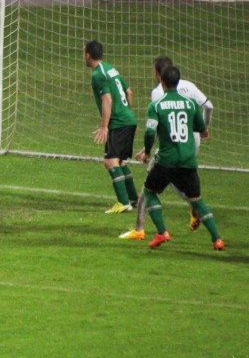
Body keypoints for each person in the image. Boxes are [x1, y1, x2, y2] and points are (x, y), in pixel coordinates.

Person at [120, 56, 214, 240]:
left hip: (170, 144)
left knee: (151, 185)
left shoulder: (158, 92)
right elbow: (208, 106)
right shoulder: (189, 85)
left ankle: (140, 229)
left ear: (158, 74)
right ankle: (194, 206)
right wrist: (204, 128)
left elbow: (158, 124)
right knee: (177, 179)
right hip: (191, 141)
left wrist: (146, 150)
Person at [135, 65, 224, 250]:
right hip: (187, 160)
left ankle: (162, 232)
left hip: (166, 161)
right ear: (178, 82)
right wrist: (202, 130)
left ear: (162, 81)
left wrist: (147, 151)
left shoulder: (156, 105)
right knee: (196, 200)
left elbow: (150, 132)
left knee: (149, 192)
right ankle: (217, 239)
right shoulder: (190, 104)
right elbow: (201, 127)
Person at [83, 40, 139, 214]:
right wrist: (126, 111)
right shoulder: (110, 69)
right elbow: (129, 91)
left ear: (88, 55)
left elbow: (107, 99)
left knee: (110, 162)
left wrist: (104, 126)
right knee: (120, 161)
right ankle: (134, 199)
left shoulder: (97, 75)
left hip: (118, 122)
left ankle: (123, 203)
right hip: (129, 119)